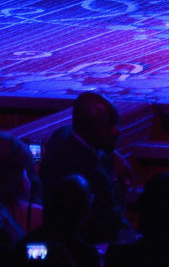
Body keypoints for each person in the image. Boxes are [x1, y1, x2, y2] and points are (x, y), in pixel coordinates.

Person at [39, 91, 131, 245]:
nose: (116, 131)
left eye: (115, 123)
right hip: (83, 246)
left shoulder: (62, 136)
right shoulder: (93, 175)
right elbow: (115, 223)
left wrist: (110, 153)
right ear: (86, 130)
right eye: (108, 127)